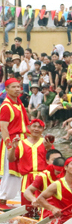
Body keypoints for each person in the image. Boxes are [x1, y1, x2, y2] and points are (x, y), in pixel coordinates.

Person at [7, 118, 52, 214]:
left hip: (43, 178)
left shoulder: (46, 143)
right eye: (34, 126)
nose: (36, 129)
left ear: (43, 129)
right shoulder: (21, 143)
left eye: (39, 127)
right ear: (29, 128)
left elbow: (54, 161)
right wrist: (13, 148)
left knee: (45, 205)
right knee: (27, 207)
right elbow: (11, 159)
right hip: (27, 179)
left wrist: (49, 149)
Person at [0, 78, 29, 210]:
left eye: (19, 86)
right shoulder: (6, 106)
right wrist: (9, 145)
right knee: (10, 171)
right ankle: (2, 199)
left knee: (21, 170)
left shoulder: (19, 103)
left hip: (23, 140)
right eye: (14, 87)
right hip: (12, 140)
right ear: (7, 89)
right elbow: (3, 127)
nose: (18, 89)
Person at [34, 156, 72, 224]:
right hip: (63, 219)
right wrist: (53, 209)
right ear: (65, 167)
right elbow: (40, 198)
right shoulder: (56, 185)